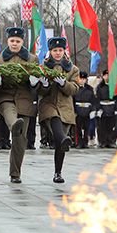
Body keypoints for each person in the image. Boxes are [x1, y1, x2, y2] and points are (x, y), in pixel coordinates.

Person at [0, 27, 35, 183]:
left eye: (18, 41)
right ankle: (14, 124)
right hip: (5, 96)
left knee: (20, 140)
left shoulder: (32, 59)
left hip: (24, 99)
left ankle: (15, 173)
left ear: (22, 42)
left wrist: (35, 82)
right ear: (7, 41)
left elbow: (36, 85)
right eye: (12, 41)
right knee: (11, 114)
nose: (15, 44)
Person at [34, 37, 80, 183]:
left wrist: (63, 83)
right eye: (55, 50)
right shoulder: (43, 68)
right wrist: (44, 85)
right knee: (55, 121)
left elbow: (73, 89)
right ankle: (63, 139)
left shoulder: (73, 69)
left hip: (65, 107)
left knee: (61, 144)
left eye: (60, 50)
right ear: (50, 52)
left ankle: (58, 172)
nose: (58, 53)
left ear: (64, 51)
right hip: (49, 105)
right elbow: (39, 92)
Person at [95, 70, 117, 149]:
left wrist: (116, 108)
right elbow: (97, 98)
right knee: (102, 126)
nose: (107, 77)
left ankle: (111, 141)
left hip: (111, 107)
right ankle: (103, 141)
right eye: (105, 75)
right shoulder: (100, 86)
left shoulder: (114, 86)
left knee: (111, 126)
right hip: (103, 107)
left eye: (108, 75)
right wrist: (98, 109)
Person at [73, 71, 96, 149]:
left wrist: (92, 110)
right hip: (78, 109)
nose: (82, 80)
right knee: (78, 128)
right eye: (81, 79)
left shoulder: (89, 89)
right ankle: (79, 142)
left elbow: (93, 101)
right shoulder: (75, 88)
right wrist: (74, 111)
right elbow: (73, 100)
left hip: (87, 110)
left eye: (84, 79)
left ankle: (85, 142)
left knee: (87, 128)